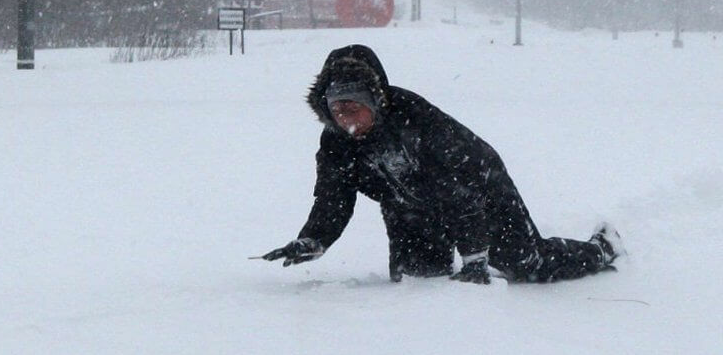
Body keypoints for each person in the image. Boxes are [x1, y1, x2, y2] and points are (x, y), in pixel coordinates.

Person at [259, 44, 622, 284]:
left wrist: (475, 258)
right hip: (408, 207)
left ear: (374, 100)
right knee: (419, 280)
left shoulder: (416, 121)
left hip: (480, 188)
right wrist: (313, 239)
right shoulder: (336, 141)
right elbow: (333, 199)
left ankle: (602, 248)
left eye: (354, 108)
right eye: (338, 110)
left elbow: (460, 194)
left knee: (525, 264)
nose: (346, 119)